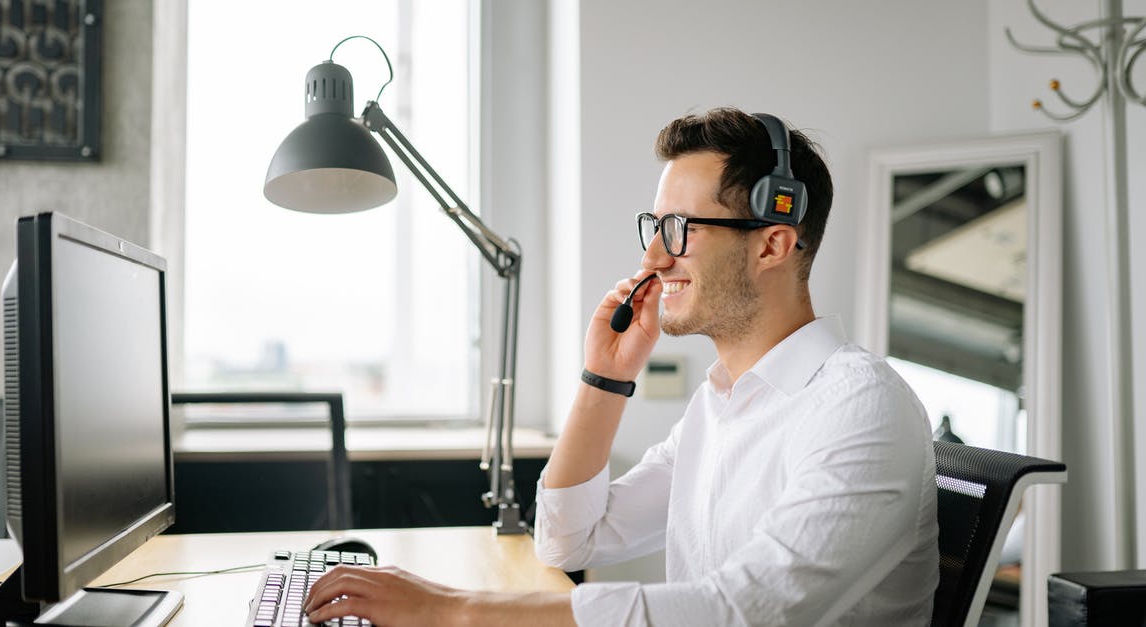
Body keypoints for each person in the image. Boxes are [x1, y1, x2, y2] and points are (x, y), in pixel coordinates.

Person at [303, 107, 939, 626]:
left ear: (773, 241)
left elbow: (746, 612)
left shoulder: (861, 408)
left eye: (679, 227)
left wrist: (450, 610)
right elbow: (568, 542)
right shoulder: (722, 404)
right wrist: (604, 380)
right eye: (654, 226)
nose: (655, 255)